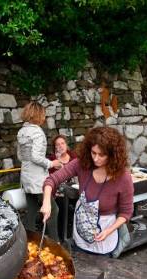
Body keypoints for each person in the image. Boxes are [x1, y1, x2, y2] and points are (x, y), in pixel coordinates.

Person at [40, 127, 133, 257]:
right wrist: (46, 202)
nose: (95, 158)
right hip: (80, 231)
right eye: (93, 153)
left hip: (105, 234)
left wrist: (109, 231)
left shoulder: (123, 177)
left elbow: (126, 212)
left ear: (113, 155)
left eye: (102, 155)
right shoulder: (81, 164)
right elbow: (52, 180)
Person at [17, 101, 61, 239]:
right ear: (38, 115)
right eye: (43, 114)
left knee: (31, 212)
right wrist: (51, 163)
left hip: (26, 177)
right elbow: (36, 157)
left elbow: (20, 156)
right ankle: (55, 244)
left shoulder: (22, 132)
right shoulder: (38, 133)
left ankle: (28, 243)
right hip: (38, 179)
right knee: (53, 210)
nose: (44, 117)